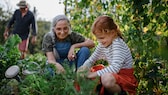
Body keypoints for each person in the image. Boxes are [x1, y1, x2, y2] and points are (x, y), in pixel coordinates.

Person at [77, 15, 138, 95]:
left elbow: (115, 68)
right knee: (83, 70)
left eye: (102, 38)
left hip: (124, 77)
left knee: (106, 78)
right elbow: (92, 59)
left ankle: (121, 93)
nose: (100, 41)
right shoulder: (102, 44)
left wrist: (92, 75)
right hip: (114, 75)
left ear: (112, 33)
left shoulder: (118, 44)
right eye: (98, 38)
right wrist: (84, 69)